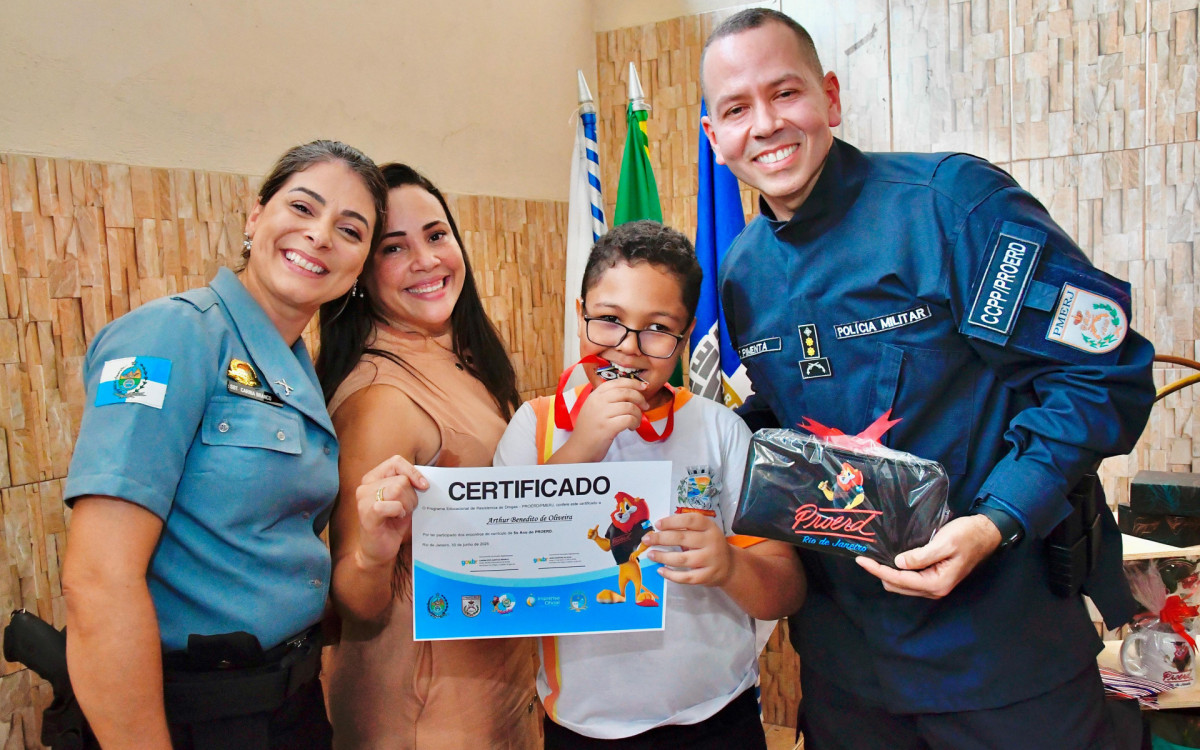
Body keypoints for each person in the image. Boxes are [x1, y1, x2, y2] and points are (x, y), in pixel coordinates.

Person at [700, 9, 1156, 750]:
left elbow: (1101, 373)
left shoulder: (951, 206)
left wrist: (997, 519)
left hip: (1003, 660)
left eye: (785, 93)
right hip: (849, 674)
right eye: (736, 109)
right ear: (715, 137)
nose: (766, 124)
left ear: (832, 98)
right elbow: (785, 414)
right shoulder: (742, 270)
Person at [61, 140, 389, 750]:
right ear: (255, 216)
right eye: (302, 207)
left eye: (349, 229)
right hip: (199, 710)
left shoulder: (291, 365)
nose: (320, 236)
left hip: (286, 701)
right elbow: (99, 580)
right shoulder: (171, 334)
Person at [492, 219, 807, 749]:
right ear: (580, 316)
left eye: (659, 328)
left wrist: (729, 564)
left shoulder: (719, 429)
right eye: (609, 320)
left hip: (718, 715)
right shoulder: (535, 426)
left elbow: (786, 590)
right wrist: (582, 448)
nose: (630, 347)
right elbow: (507, 569)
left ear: (684, 340)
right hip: (583, 726)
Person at [317, 162, 540, 749]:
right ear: (363, 273)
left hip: (494, 688)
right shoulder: (380, 399)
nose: (426, 260)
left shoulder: (456, 354)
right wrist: (372, 552)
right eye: (395, 247)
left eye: (436, 235)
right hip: (427, 713)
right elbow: (355, 601)